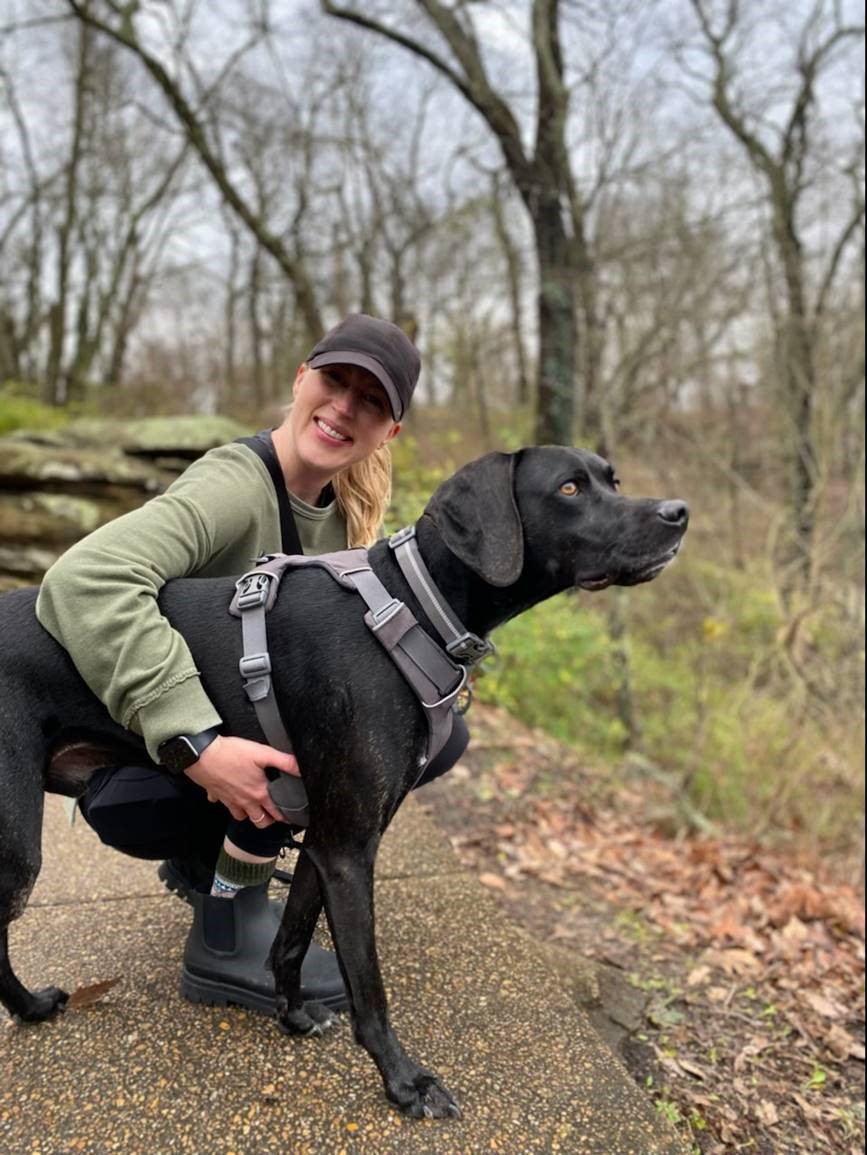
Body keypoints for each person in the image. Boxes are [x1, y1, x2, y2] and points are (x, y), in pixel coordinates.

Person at [36, 314, 470, 1014]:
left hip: (229, 725)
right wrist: (195, 741)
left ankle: (223, 860)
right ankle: (225, 918)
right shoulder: (237, 486)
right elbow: (86, 577)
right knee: (299, 744)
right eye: (334, 381)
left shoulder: (345, 512)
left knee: (438, 735)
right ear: (301, 378)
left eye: (371, 400)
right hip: (138, 762)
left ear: (389, 433)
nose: (343, 407)